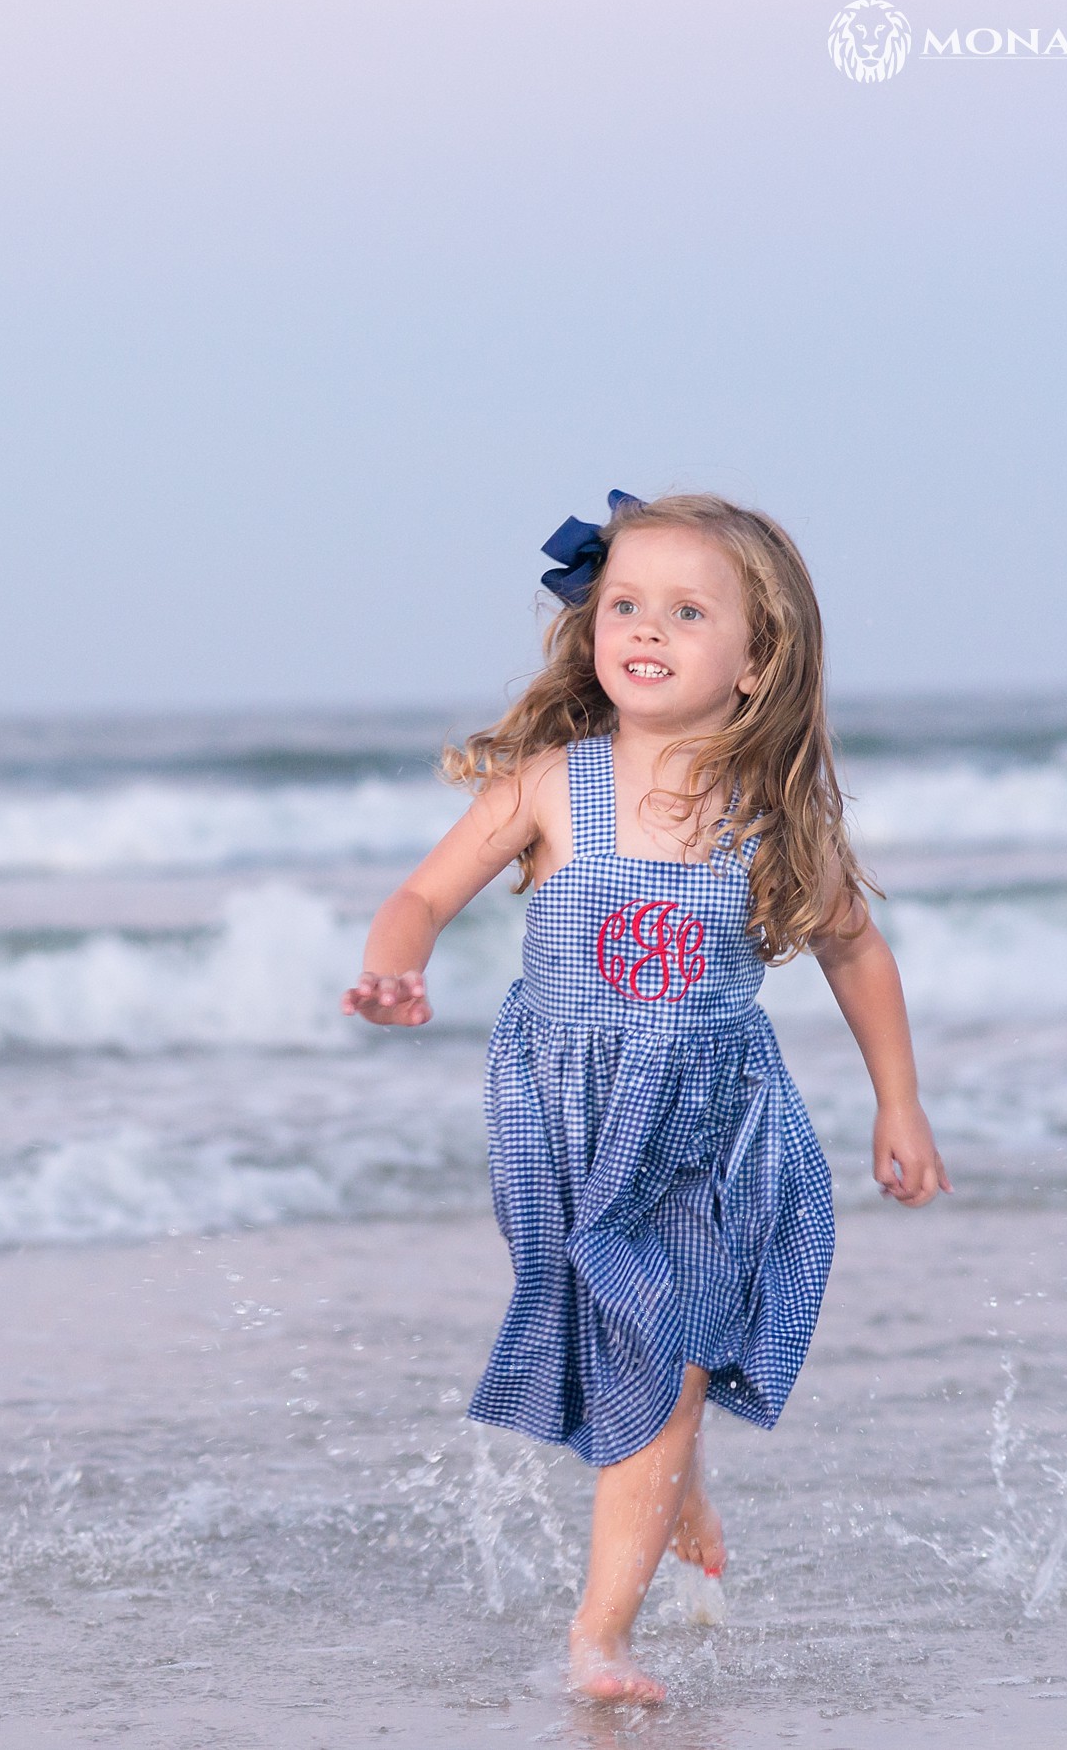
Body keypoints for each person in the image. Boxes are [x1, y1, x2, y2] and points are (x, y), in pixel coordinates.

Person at [341, 491, 948, 1703]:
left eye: (685, 609)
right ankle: (675, 1470)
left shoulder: (769, 818)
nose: (644, 627)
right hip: (563, 1115)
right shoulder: (547, 786)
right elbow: (417, 897)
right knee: (639, 1344)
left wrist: (899, 1105)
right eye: (624, 602)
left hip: (709, 1122)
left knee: (664, 1344)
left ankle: (597, 1638)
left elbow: (854, 953)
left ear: (754, 660)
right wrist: (392, 963)